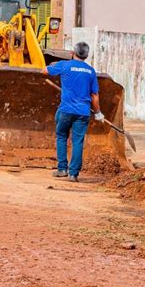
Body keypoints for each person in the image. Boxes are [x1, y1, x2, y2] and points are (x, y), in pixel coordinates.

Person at [42, 42, 105, 182]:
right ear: (87, 56)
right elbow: (95, 95)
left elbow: (44, 71)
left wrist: (56, 63)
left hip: (65, 110)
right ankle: (73, 174)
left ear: (72, 53)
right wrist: (98, 112)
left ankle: (62, 169)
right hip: (83, 112)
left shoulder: (65, 65)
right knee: (78, 141)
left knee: (62, 137)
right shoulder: (90, 71)